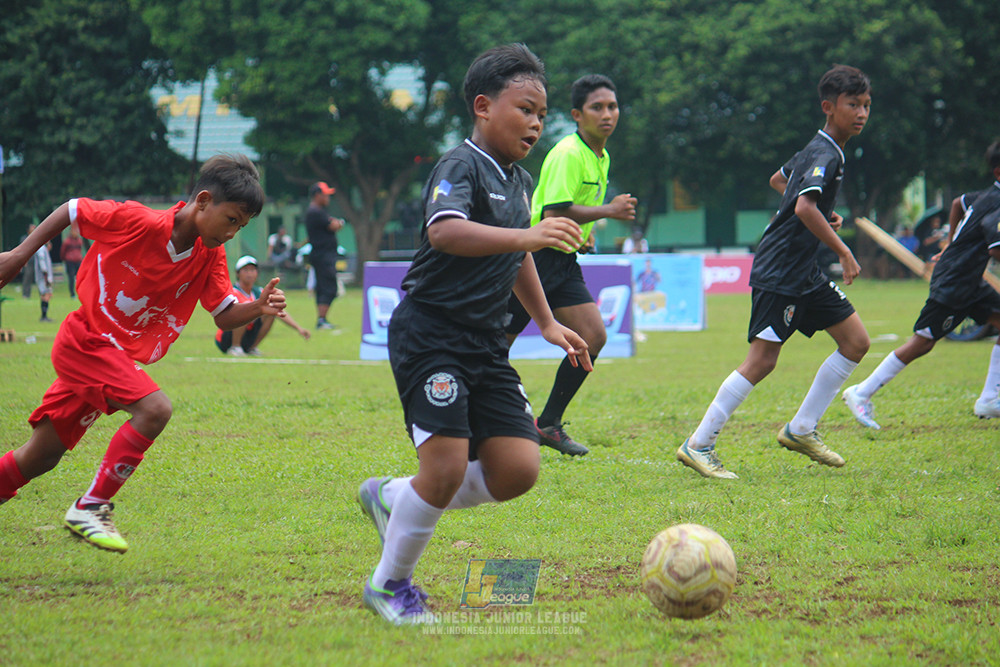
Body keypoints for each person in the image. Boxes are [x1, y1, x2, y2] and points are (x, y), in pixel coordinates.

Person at [356, 43, 592, 626]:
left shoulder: (518, 180)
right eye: (525, 109)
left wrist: (547, 321)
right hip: (431, 334)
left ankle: (394, 498)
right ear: (483, 107)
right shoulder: (458, 167)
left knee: (518, 469)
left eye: (542, 114)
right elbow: (446, 233)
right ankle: (390, 586)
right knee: (445, 470)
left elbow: (516, 259)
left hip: (485, 344)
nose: (536, 122)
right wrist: (528, 236)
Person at [0, 154, 280, 553]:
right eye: (232, 219)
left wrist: (258, 306)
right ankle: (91, 506)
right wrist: (19, 254)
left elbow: (223, 315)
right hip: (86, 342)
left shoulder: (210, 253)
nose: (234, 232)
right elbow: (73, 209)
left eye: (243, 225)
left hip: (112, 358)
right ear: (202, 201)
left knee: (39, 457)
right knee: (155, 409)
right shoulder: (140, 221)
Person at [677, 64, 872, 480]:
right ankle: (698, 444)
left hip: (804, 273)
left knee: (855, 341)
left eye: (867, 105)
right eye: (853, 104)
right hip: (780, 271)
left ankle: (801, 429)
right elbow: (802, 205)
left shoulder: (819, 150)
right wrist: (843, 249)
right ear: (828, 107)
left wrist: (823, 210)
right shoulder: (823, 153)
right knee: (762, 361)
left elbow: (779, 180)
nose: (861, 113)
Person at [504, 74, 638, 456]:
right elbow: (553, 209)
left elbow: (569, 210)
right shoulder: (568, 152)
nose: (607, 114)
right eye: (597, 107)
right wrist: (608, 210)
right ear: (578, 115)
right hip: (534, 258)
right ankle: (469, 423)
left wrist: (587, 231)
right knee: (497, 348)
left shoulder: (600, 154)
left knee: (593, 336)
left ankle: (547, 424)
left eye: (612, 106)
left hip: (563, 258)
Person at [843, 141, 1000, 426]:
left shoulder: (986, 196)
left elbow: (957, 204)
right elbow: (995, 247)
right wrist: (954, 248)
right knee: (923, 342)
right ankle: (861, 392)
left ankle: (989, 399)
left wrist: (950, 243)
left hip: (969, 280)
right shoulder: (996, 203)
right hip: (954, 281)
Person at [215, 254, 310, 356]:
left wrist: (298, 328)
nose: (249, 274)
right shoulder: (232, 291)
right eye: (246, 270)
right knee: (246, 309)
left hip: (248, 334)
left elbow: (278, 311)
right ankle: (235, 346)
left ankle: (252, 348)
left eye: (252, 270)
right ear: (238, 273)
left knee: (270, 311)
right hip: (226, 337)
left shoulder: (259, 292)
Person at [304, 181, 344, 330]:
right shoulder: (316, 212)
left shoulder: (317, 211)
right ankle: (321, 319)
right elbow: (334, 225)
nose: (328, 198)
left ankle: (322, 320)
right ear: (317, 195)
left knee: (322, 286)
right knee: (329, 287)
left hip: (321, 255)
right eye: (325, 194)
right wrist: (339, 222)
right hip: (323, 256)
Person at [33, 241, 54, 322]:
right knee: (45, 295)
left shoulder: (44, 249)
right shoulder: (41, 249)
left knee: (46, 295)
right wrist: (45, 273)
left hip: (44, 276)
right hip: (43, 277)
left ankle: (44, 316)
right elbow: (42, 261)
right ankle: (44, 316)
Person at [60, 226, 84, 298]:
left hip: (78, 260)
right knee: (71, 277)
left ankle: (81, 293)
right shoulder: (67, 242)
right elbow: (62, 252)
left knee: (80, 277)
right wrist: (64, 259)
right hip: (70, 261)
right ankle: (72, 294)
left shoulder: (79, 241)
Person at [20, 223, 36, 299]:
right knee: (26, 278)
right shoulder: (24, 238)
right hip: (27, 261)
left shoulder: (36, 238)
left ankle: (28, 294)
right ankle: (25, 294)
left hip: (34, 261)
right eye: (32, 228)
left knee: (31, 278)